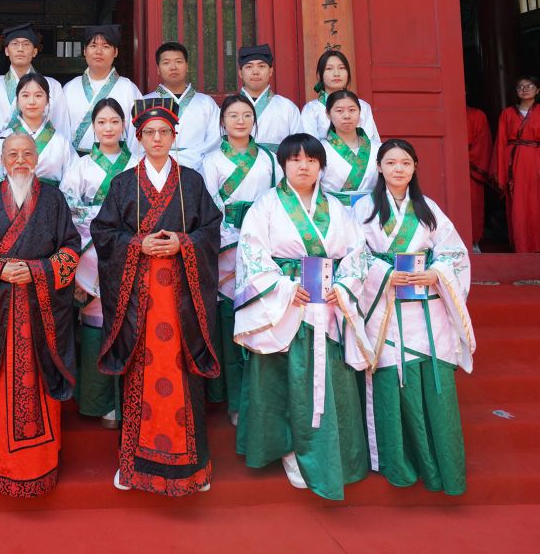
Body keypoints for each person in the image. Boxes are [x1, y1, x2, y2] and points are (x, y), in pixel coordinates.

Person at [91, 97, 222, 496]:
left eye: (165, 132)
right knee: (139, 371)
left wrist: (183, 243)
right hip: (138, 300)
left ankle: (193, 468)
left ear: (174, 136)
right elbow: (103, 233)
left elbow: (210, 230)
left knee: (182, 372)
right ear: (139, 137)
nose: (158, 139)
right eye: (149, 132)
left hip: (182, 298)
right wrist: (137, 245)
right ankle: (132, 464)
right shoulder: (123, 183)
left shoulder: (191, 182)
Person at [233, 133, 373, 500]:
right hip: (286, 302)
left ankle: (330, 448)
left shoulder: (337, 210)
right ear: (283, 164)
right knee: (283, 377)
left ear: (321, 166)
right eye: (295, 159)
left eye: (311, 160)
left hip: (328, 302)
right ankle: (288, 447)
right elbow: (251, 253)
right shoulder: (266, 206)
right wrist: (282, 287)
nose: (304, 166)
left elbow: (357, 254)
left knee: (330, 377)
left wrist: (344, 287)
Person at [0, 133, 80, 497]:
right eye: (13, 154)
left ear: (37, 157)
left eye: (27, 153)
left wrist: (36, 271)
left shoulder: (54, 200)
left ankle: (39, 463)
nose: (20, 160)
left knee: (38, 383)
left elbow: (70, 250)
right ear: (2, 159)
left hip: (41, 309)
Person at [355, 139, 476, 495]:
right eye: (391, 162)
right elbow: (352, 254)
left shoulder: (428, 208)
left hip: (427, 305)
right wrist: (384, 274)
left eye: (405, 163)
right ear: (379, 168)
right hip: (385, 304)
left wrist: (436, 272)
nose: (398, 169)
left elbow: (454, 252)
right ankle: (400, 463)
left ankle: (443, 468)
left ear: (414, 168)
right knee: (392, 378)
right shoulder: (363, 209)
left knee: (434, 379)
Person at [60, 98, 139, 428]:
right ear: (93, 127)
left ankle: (130, 400)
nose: (108, 128)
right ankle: (97, 402)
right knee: (95, 322)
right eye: (102, 122)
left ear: (124, 126)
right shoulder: (80, 166)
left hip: (131, 249)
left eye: (114, 121)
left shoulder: (138, 162)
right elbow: (68, 205)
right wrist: (105, 223)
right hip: (92, 254)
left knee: (131, 320)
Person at [200, 94, 277, 425]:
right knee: (230, 318)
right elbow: (209, 202)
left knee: (260, 314)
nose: (241, 121)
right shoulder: (211, 161)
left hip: (262, 242)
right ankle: (234, 400)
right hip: (226, 246)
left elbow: (276, 199)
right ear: (222, 121)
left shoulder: (270, 159)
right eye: (233, 115)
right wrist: (232, 238)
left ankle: (262, 396)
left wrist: (257, 234)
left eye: (247, 115)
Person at [0, 23, 71, 140]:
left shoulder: (53, 86)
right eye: (15, 44)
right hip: (0, 149)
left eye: (26, 44)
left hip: (43, 149)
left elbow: (61, 126)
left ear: (34, 52)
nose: (20, 49)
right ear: (6, 51)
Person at [64, 24, 142, 156]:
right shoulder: (70, 88)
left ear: (115, 52)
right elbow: (62, 128)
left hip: (119, 161)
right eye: (93, 46)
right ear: (84, 51)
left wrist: (130, 163)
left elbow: (138, 132)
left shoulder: (128, 88)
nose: (98, 52)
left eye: (105, 46)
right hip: (77, 161)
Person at [0, 72, 75, 187]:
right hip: (10, 198)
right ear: (17, 101)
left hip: (51, 198)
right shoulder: (2, 140)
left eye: (38, 96)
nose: (32, 102)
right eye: (25, 96)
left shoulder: (61, 142)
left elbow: (72, 181)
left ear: (47, 100)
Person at [144, 41, 220, 170]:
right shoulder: (145, 103)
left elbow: (214, 140)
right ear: (158, 69)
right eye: (166, 63)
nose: (173, 67)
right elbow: (138, 143)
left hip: (199, 169)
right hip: (156, 169)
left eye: (178, 62)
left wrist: (186, 160)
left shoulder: (206, 103)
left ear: (187, 66)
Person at [492, 74, 540, 253]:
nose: (525, 89)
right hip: (515, 163)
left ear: (538, 90)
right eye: (520, 87)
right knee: (518, 205)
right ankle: (522, 246)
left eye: (530, 86)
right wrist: (501, 171)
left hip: (536, 161)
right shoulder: (507, 113)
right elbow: (501, 142)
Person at [319, 90, 381, 208]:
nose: (347, 116)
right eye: (339, 111)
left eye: (352, 110)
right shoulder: (320, 150)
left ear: (360, 112)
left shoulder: (378, 148)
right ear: (328, 114)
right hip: (333, 210)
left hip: (371, 210)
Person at [300, 50, 380, 142]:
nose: (336, 74)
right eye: (329, 69)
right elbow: (309, 145)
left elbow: (372, 142)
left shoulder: (362, 106)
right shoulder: (311, 109)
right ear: (319, 75)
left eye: (341, 68)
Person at [236, 44, 302, 151]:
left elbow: (299, 147)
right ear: (240, 73)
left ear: (270, 71)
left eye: (261, 66)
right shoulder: (228, 108)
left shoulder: (287, 107)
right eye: (249, 67)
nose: (255, 72)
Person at [466, 105, 492, 251]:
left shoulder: (477, 115)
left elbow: (482, 145)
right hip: (445, 165)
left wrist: (466, 161)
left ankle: (473, 242)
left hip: (470, 168)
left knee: (473, 204)